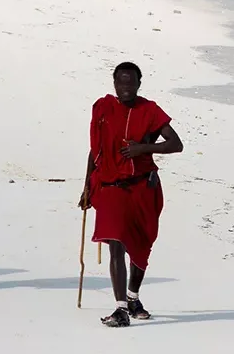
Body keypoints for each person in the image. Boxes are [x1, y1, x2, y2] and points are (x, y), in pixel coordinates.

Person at [81, 62, 183, 328]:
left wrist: (143, 149)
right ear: (114, 84)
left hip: (143, 187)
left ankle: (133, 298)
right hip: (110, 186)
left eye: (131, 83)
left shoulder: (149, 110)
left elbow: (176, 144)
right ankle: (120, 309)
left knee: (140, 245)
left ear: (139, 84)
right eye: (121, 82)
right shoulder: (104, 109)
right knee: (117, 243)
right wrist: (86, 186)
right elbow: (96, 150)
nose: (125, 87)